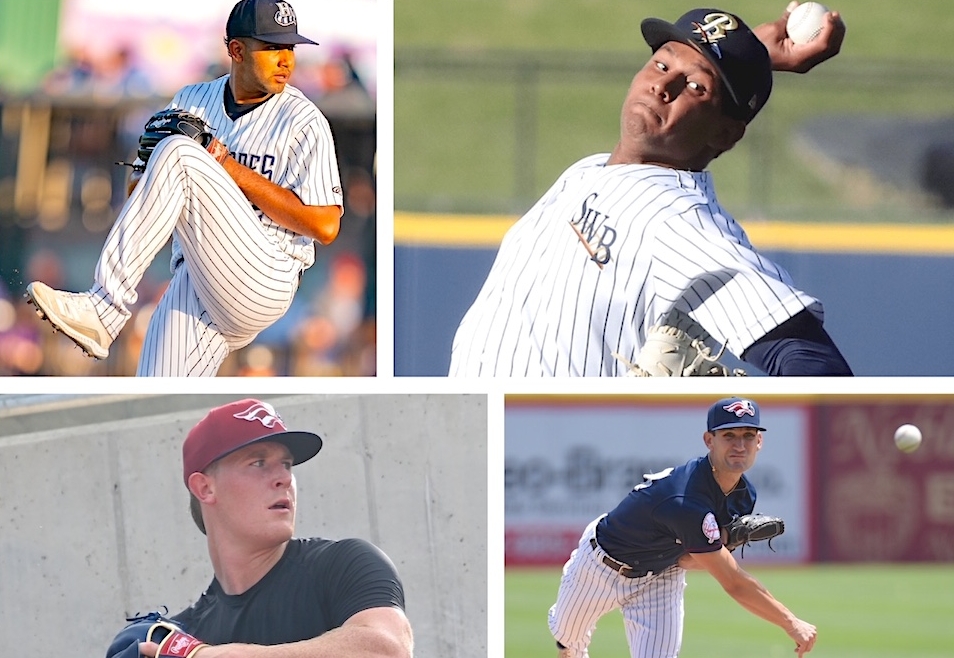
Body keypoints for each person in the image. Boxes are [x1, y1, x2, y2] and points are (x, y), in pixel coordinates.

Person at [448, 4, 852, 377]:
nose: (665, 85)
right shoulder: (587, 169)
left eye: (695, 88)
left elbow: (810, 359)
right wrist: (751, 56)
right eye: (661, 64)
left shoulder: (680, 222)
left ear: (726, 134)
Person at [26, 0, 344, 376]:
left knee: (180, 151)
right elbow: (139, 197)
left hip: (266, 275)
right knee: (155, 387)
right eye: (273, 47)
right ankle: (103, 314)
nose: (286, 60)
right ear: (237, 50)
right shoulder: (193, 100)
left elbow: (326, 227)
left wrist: (226, 166)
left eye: (290, 47)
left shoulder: (303, 120)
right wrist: (145, 172)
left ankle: (104, 306)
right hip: (198, 276)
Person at [130, 398, 413, 658]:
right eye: (258, 462)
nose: (284, 478)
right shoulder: (188, 634)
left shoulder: (344, 564)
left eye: (286, 464)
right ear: (205, 488)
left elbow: (387, 650)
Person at [548, 397, 816, 657]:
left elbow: (689, 561)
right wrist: (791, 623)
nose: (739, 445)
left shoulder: (743, 495)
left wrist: (727, 540)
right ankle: (564, 627)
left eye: (748, 435)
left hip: (663, 572)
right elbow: (734, 583)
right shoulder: (685, 500)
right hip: (601, 565)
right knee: (569, 643)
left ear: (760, 441)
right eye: (729, 436)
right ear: (709, 440)